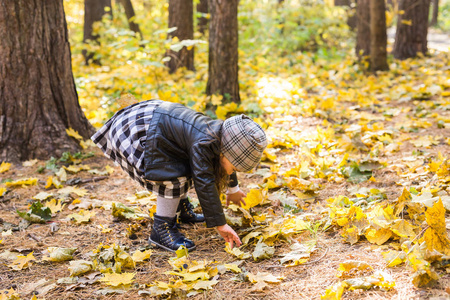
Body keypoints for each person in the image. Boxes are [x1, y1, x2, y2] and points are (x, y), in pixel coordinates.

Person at [91, 99, 267, 252]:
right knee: (173, 175)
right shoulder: (204, 143)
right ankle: (162, 228)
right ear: (225, 152)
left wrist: (233, 189)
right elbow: (204, 182)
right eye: (235, 167)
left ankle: (180, 209)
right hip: (136, 131)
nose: (233, 172)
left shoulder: (220, 137)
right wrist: (220, 224)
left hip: (156, 124)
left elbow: (222, 165)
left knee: (186, 166)